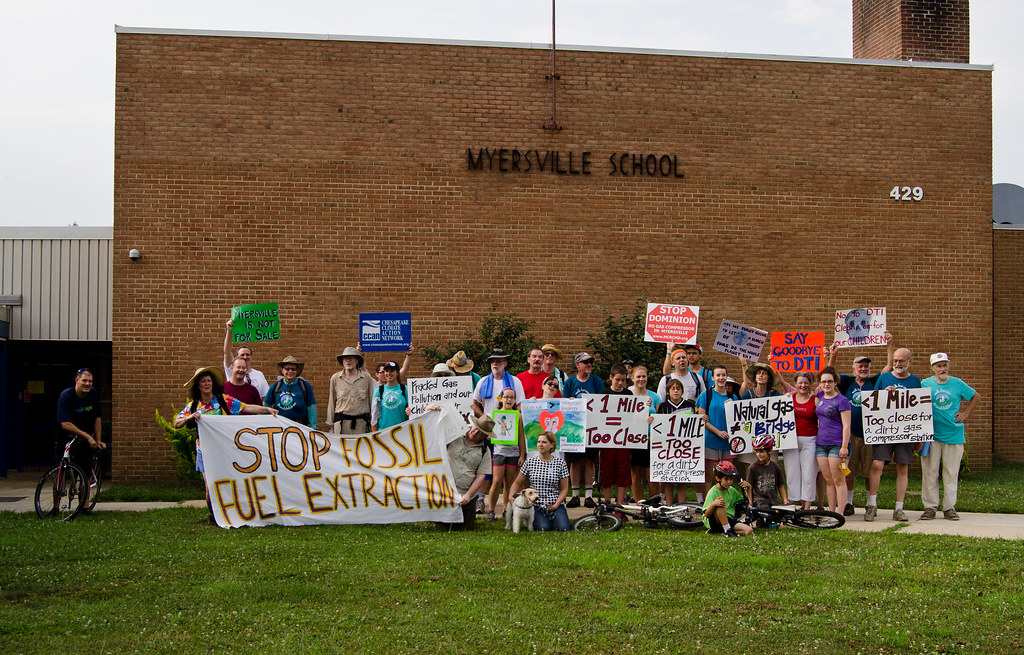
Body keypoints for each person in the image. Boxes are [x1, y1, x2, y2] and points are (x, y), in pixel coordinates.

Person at [173, 366, 277, 523]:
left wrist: (267, 409)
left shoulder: (223, 400)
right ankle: (213, 517)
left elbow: (246, 407)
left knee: (229, 483)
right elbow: (176, 423)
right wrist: (189, 418)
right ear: (198, 386)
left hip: (224, 450)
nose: (207, 384)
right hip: (204, 452)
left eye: (209, 381)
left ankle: (232, 513)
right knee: (209, 487)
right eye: (203, 381)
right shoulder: (194, 406)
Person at [825, 334, 894, 516]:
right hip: (851, 434)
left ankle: (871, 504)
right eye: (860, 366)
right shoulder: (848, 381)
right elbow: (829, 374)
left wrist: (889, 345)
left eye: (866, 366)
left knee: (870, 469)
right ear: (854, 368)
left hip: (871, 433)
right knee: (850, 470)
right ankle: (848, 502)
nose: (863, 368)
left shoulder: (875, 381)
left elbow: (888, 367)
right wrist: (833, 354)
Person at [920, 353, 979, 521]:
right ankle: (930, 507)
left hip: (953, 434)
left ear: (949, 366)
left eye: (945, 365)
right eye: (938, 366)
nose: (942, 368)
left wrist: (966, 412)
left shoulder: (957, 383)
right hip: (931, 435)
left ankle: (949, 507)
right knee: (930, 472)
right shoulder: (925, 383)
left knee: (951, 472)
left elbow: (976, 396)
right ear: (932, 368)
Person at [865, 347, 921, 522]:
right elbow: (872, 403)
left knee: (903, 468)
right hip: (884, 430)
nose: (897, 364)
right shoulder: (884, 378)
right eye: (895, 360)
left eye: (901, 361)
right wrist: (883, 394)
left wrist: (920, 437)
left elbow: (920, 410)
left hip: (905, 432)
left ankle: (899, 508)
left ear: (909, 362)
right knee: (877, 465)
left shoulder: (915, 381)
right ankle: (872, 505)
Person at [436, 413, 494, 531]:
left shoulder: (485, 451)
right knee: (441, 528)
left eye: (481, 432)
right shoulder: (454, 435)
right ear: (473, 425)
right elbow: (435, 431)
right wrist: (431, 409)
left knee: (465, 529)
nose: (476, 432)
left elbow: (481, 476)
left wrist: (468, 495)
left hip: (466, 497)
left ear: (485, 436)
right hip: (445, 492)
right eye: (476, 428)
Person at [562, 352, 604, 508]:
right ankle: (574, 495)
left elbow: (602, 402)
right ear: (577, 365)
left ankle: (588, 495)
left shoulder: (596, 381)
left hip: (591, 426)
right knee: (574, 461)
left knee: (589, 460)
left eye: (590, 362)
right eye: (585, 362)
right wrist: (570, 402)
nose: (588, 365)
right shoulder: (570, 383)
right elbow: (564, 403)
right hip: (574, 427)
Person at [508, 431, 571, 531]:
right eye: (539, 442)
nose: (540, 444)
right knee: (543, 528)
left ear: (551, 445)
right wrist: (511, 495)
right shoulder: (530, 462)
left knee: (563, 528)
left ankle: (556, 516)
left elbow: (564, 489)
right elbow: (517, 482)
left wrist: (556, 505)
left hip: (555, 503)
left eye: (544, 442)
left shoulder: (560, 463)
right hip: (536, 504)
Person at [695, 365, 740, 496]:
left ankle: (724, 502)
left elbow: (737, 419)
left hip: (728, 442)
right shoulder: (705, 396)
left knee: (727, 476)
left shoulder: (734, 397)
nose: (721, 378)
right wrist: (718, 432)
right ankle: (709, 503)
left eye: (723, 375)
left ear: (726, 377)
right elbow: (702, 420)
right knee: (710, 475)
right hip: (711, 441)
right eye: (718, 375)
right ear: (713, 378)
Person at [814, 367, 852, 514]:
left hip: (838, 444)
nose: (826, 384)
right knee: (828, 480)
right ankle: (830, 512)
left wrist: (844, 446)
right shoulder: (820, 397)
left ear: (835, 383)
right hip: (821, 445)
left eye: (830, 381)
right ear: (819, 383)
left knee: (838, 480)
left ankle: (840, 513)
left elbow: (847, 425)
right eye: (823, 381)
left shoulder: (842, 400)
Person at [486, 388, 527, 521]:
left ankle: (505, 509)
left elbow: (521, 437)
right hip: (499, 452)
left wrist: (522, 455)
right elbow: (488, 433)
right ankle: (491, 511)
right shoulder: (494, 415)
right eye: (506, 397)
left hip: (513, 453)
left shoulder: (518, 415)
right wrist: (489, 436)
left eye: (512, 397)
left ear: (515, 400)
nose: (509, 400)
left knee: (509, 483)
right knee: (496, 481)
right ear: (501, 398)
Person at [656, 378, 699, 505]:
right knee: (668, 478)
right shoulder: (663, 407)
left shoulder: (689, 406)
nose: (676, 391)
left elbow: (694, 426)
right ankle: (669, 506)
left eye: (678, 388)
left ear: (682, 391)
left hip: (684, 448)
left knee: (682, 478)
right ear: (668, 392)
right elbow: (659, 426)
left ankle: (681, 506)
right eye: (673, 388)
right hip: (668, 447)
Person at [56, 368, 106, 474]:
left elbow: (97, 417)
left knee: (85, 473)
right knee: (61, 471)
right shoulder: (66, 396)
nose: (87, 384)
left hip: (86, 438)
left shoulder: (93, 393)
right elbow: (65, 424)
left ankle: (84, 488)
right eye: (84, 381)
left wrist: (98, 440)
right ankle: (58, 488)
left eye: (90, 381)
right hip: (66, 436)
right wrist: (87, 436)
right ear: (76, 381)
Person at [600, 364, 634, 505]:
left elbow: (635, 415)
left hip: (623, 440)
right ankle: (607, 503)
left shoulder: (628, 395)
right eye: (617, 380)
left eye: (623, 380)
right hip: (607, 440)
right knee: (606, 472)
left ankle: (620, 504)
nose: (620, 383)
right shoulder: (603, 395)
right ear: (611, 378)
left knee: (623, 472)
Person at [786, 371, 819, 510]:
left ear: (811, 384)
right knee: (792, 472)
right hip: (790, 439)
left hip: (810, 439)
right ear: (795, 384)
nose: (803, 385)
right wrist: (790, 394)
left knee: (809, 473)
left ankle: (806, 506)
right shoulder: (788, 398)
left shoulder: (815, 399)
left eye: (806, 383)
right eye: (800, 382)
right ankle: (793, 503)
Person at [327, 346, 377, 434]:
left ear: (357, 360)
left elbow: (372, 402)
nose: (348, 361)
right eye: (345, 358)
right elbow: (331, 402)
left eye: (351, 358)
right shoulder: (335, 378)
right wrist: (331, 427)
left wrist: (373, 424)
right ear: (342, 361)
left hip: (361, 425)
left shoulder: (366, 377)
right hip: (341, 426)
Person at [630, 365, 661, 501]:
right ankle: (639, 503)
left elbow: (661, 418)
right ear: (632, 378)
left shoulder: (654, 396)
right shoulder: (628, 395)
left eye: (644, 376)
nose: (641, 379)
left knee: (652, 475)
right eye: (638, 377)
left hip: (651, 440)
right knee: (635, 475)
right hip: (634, 440)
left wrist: (653, 419)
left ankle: (654, 503)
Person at [702, 460, 753, 537]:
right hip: (715, 521)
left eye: (731, 479)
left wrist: (748, 488)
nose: (729, 482)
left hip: (729, 519)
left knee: (749, 531)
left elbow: (746, 502)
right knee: (720, 502)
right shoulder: (713, 492)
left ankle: (723, 531)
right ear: (718, 478)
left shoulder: (731, 490)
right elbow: (707, 514)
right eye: (726, 479)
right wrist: (714, 504)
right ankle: (727, 530)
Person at [222, 318, 269, 398]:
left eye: (247, 355)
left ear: (251, 357)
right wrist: (229, 331)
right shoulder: (232, 370)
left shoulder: (259, 374)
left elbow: (265, 397)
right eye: (242, 355)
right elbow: (227, 352)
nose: (245, 357)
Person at [264, 356, 317, 427]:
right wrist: (267, 425)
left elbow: (311, 407)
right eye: (287, 369)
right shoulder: (275, 387)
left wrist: (313, 427)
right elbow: (266, 406)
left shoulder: (305, 386)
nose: (290, 371)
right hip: (280, 427)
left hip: (300, 427)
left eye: (293, 369)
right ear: (282, 370)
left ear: (297, 370)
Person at [471, 348, 525, 416]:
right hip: (488, 423)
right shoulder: (482, 381)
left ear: (505, 364)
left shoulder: (515, 381)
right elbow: (474, 404)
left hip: (508, 422)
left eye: (498, 361)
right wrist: (483, 418)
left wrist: (512, 417)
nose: (494, 363)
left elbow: (520, 405)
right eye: (492, 361)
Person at [745, 435, 789, 511]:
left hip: (773, 500)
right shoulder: (753, 468)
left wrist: (785, 500)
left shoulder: (775, 467)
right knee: (764, 509)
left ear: (770, 451)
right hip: (759, 500)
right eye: (757, 451)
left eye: (761, 451)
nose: (759, 454)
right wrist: (750, 502)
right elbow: (749, 487)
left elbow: (780, 486)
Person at [371, 360, 408, 431]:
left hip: (402, 433)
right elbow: (374, 416)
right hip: (383, 433)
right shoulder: (379, 390)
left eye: (392, 371)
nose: (388, 373)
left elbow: (412, 411)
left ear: (397, 373)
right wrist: (374, 436)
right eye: (386, 371)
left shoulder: (405, 389)